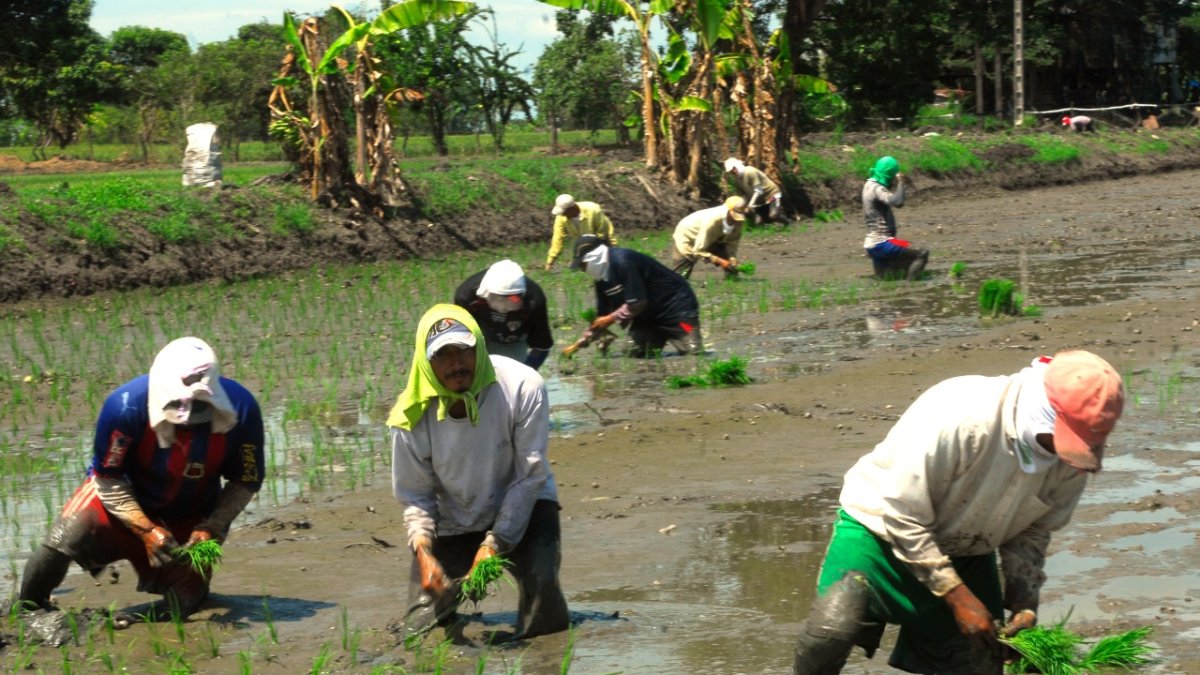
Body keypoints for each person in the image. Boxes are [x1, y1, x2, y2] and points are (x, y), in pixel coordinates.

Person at [792, 350, 1125, 675]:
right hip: (878, 531)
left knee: (981, 661)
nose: (1063, 454)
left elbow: (1032, 530)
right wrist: (958, 597)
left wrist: (1025, 602)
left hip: (966, 551)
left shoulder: (1071, 463)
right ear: (1046, 412)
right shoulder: (963, 416)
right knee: (830, 632)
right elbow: (900, 512)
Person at [19, 337, 264, 621]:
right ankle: (27, 609)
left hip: (192, 515)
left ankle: (135, 621)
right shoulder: (124, 408)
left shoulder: (241, 411)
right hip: (119, 502)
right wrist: (146, 529)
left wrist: (213, 527)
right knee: (61, 539)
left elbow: (246, 480)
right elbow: (108, 478)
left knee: (189, 597)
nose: (189, 421)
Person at [389, 304, 568, 639]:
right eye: (442, 355)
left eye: (464, 349)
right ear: (426, 363)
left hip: (521, 501)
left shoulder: (522, 386)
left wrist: (494, 544)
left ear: (480, 348)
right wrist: (425, 554)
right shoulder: (409, 418)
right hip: (454, 515)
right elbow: (416, 497)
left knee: (545, 606)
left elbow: (529, 475)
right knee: (420, 627)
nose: (456, 363)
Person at [569, 234, 703, 358]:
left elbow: (637, 303)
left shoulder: (623, 262)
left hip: (677, 310)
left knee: (694, 352)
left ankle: (684, 335)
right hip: (647, 318)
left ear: (593, 257)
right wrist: (581, 343)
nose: (582, 269)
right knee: (632, 352)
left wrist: (610, 319)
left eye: (582, 264)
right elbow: (601, 318)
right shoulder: (601, 280)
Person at [453, 259, 553, 371]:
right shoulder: (466, 296)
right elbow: (461, 340)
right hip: (480, 333)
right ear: (485, 292)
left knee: (512, 377)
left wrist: (527, 372)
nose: (503, 307)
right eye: (498, 299)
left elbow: (542, 346)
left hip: (512, 341)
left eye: (511, 301)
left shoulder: (534, 300)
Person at [861, 156, 929, 281]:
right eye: (893, 176)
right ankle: (911, 288)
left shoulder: (868, 185)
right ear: (890, 175)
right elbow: (898, 202)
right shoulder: (876, 188)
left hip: (872, 246)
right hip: (883, 243)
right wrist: (901, 182)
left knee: (888, 279)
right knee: (922, 253)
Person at [671, 196, 748, 279]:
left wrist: (732, 258)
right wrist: (720, 261)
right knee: (680, 276)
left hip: (713, 238)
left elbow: (733, 240)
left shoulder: (738, 221)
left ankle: (732, 280)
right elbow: (698, 250)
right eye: (735, 216)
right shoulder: (712, 221)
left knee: (731, 265)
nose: (736, 220)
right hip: (687, 236)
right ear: (728, 210)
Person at [543, 194, 618, 271]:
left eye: (564, 212)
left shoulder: (593, 210)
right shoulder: (561, 218)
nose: (563, 215)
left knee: (611, 261)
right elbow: (557, 239)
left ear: (572, 208)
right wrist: (550, 261)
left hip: (605, 237)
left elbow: (602, 233)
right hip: (585, 242)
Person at [725, 157, 788, 223]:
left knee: (774, 215)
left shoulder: (750, 171)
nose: (733, 172)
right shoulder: (737, 181)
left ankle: (786, 220)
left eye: (734, 169)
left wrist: (750, 206)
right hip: (759, 201)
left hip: (771, 194)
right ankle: (770, 220)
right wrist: (739, 206)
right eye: (731, 171)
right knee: (758, 222)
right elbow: (744, 196)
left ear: (737, 166)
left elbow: (759, 190)